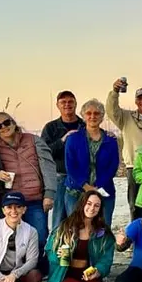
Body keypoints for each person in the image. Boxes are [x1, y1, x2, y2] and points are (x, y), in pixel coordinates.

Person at [0, 112, 57, 282]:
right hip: (8, 203)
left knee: (40, 237)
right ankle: (20, 278)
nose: (4, 127)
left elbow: (48, 166)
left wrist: (49, 193)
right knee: (14, 241)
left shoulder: (33, 140)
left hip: (35, 199)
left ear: (13, 122)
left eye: (6, 122)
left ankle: (40, 277)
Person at [45, 191, 116, 282]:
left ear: (100, 209)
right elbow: (49, 251)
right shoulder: (65, 227)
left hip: (87, 271)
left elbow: (107, 258)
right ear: (82, 204)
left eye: (96, 205)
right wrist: (58, 255)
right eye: (89, 204)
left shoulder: (103, 232)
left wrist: (98, 270)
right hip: (66, 272)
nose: (92, 208)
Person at [64, 99, 120, 224]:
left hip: (103, 190)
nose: (92, 116)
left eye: (96, 113)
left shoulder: (110, 140)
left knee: (102, 229)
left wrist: (97, 186)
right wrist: (85, 186)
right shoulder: (73, 139)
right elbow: (70, 166)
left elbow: (113, 165)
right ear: (83, 116)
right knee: (75, 228)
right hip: (76, 191)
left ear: (102, 116)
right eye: (89, 113)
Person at [108, 78, 142, 220]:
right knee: (135, 204)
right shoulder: (126, 117)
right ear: (136, 101)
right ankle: (137, 235)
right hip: (134, 166)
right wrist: (115, 92)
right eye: (139, 99)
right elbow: (111, 110)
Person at [41, 90, 85, 233]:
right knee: (58, 221)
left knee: (78, 219)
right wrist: (63, 140)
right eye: (63, 102)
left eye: (70, 101)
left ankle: (77, 252)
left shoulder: (84, 125)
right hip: (59, 178)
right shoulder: (50, 127)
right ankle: (55, 253)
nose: (67, 105)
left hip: (80, 179)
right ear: (57, 105)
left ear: (76, 104)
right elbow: (44, 152)